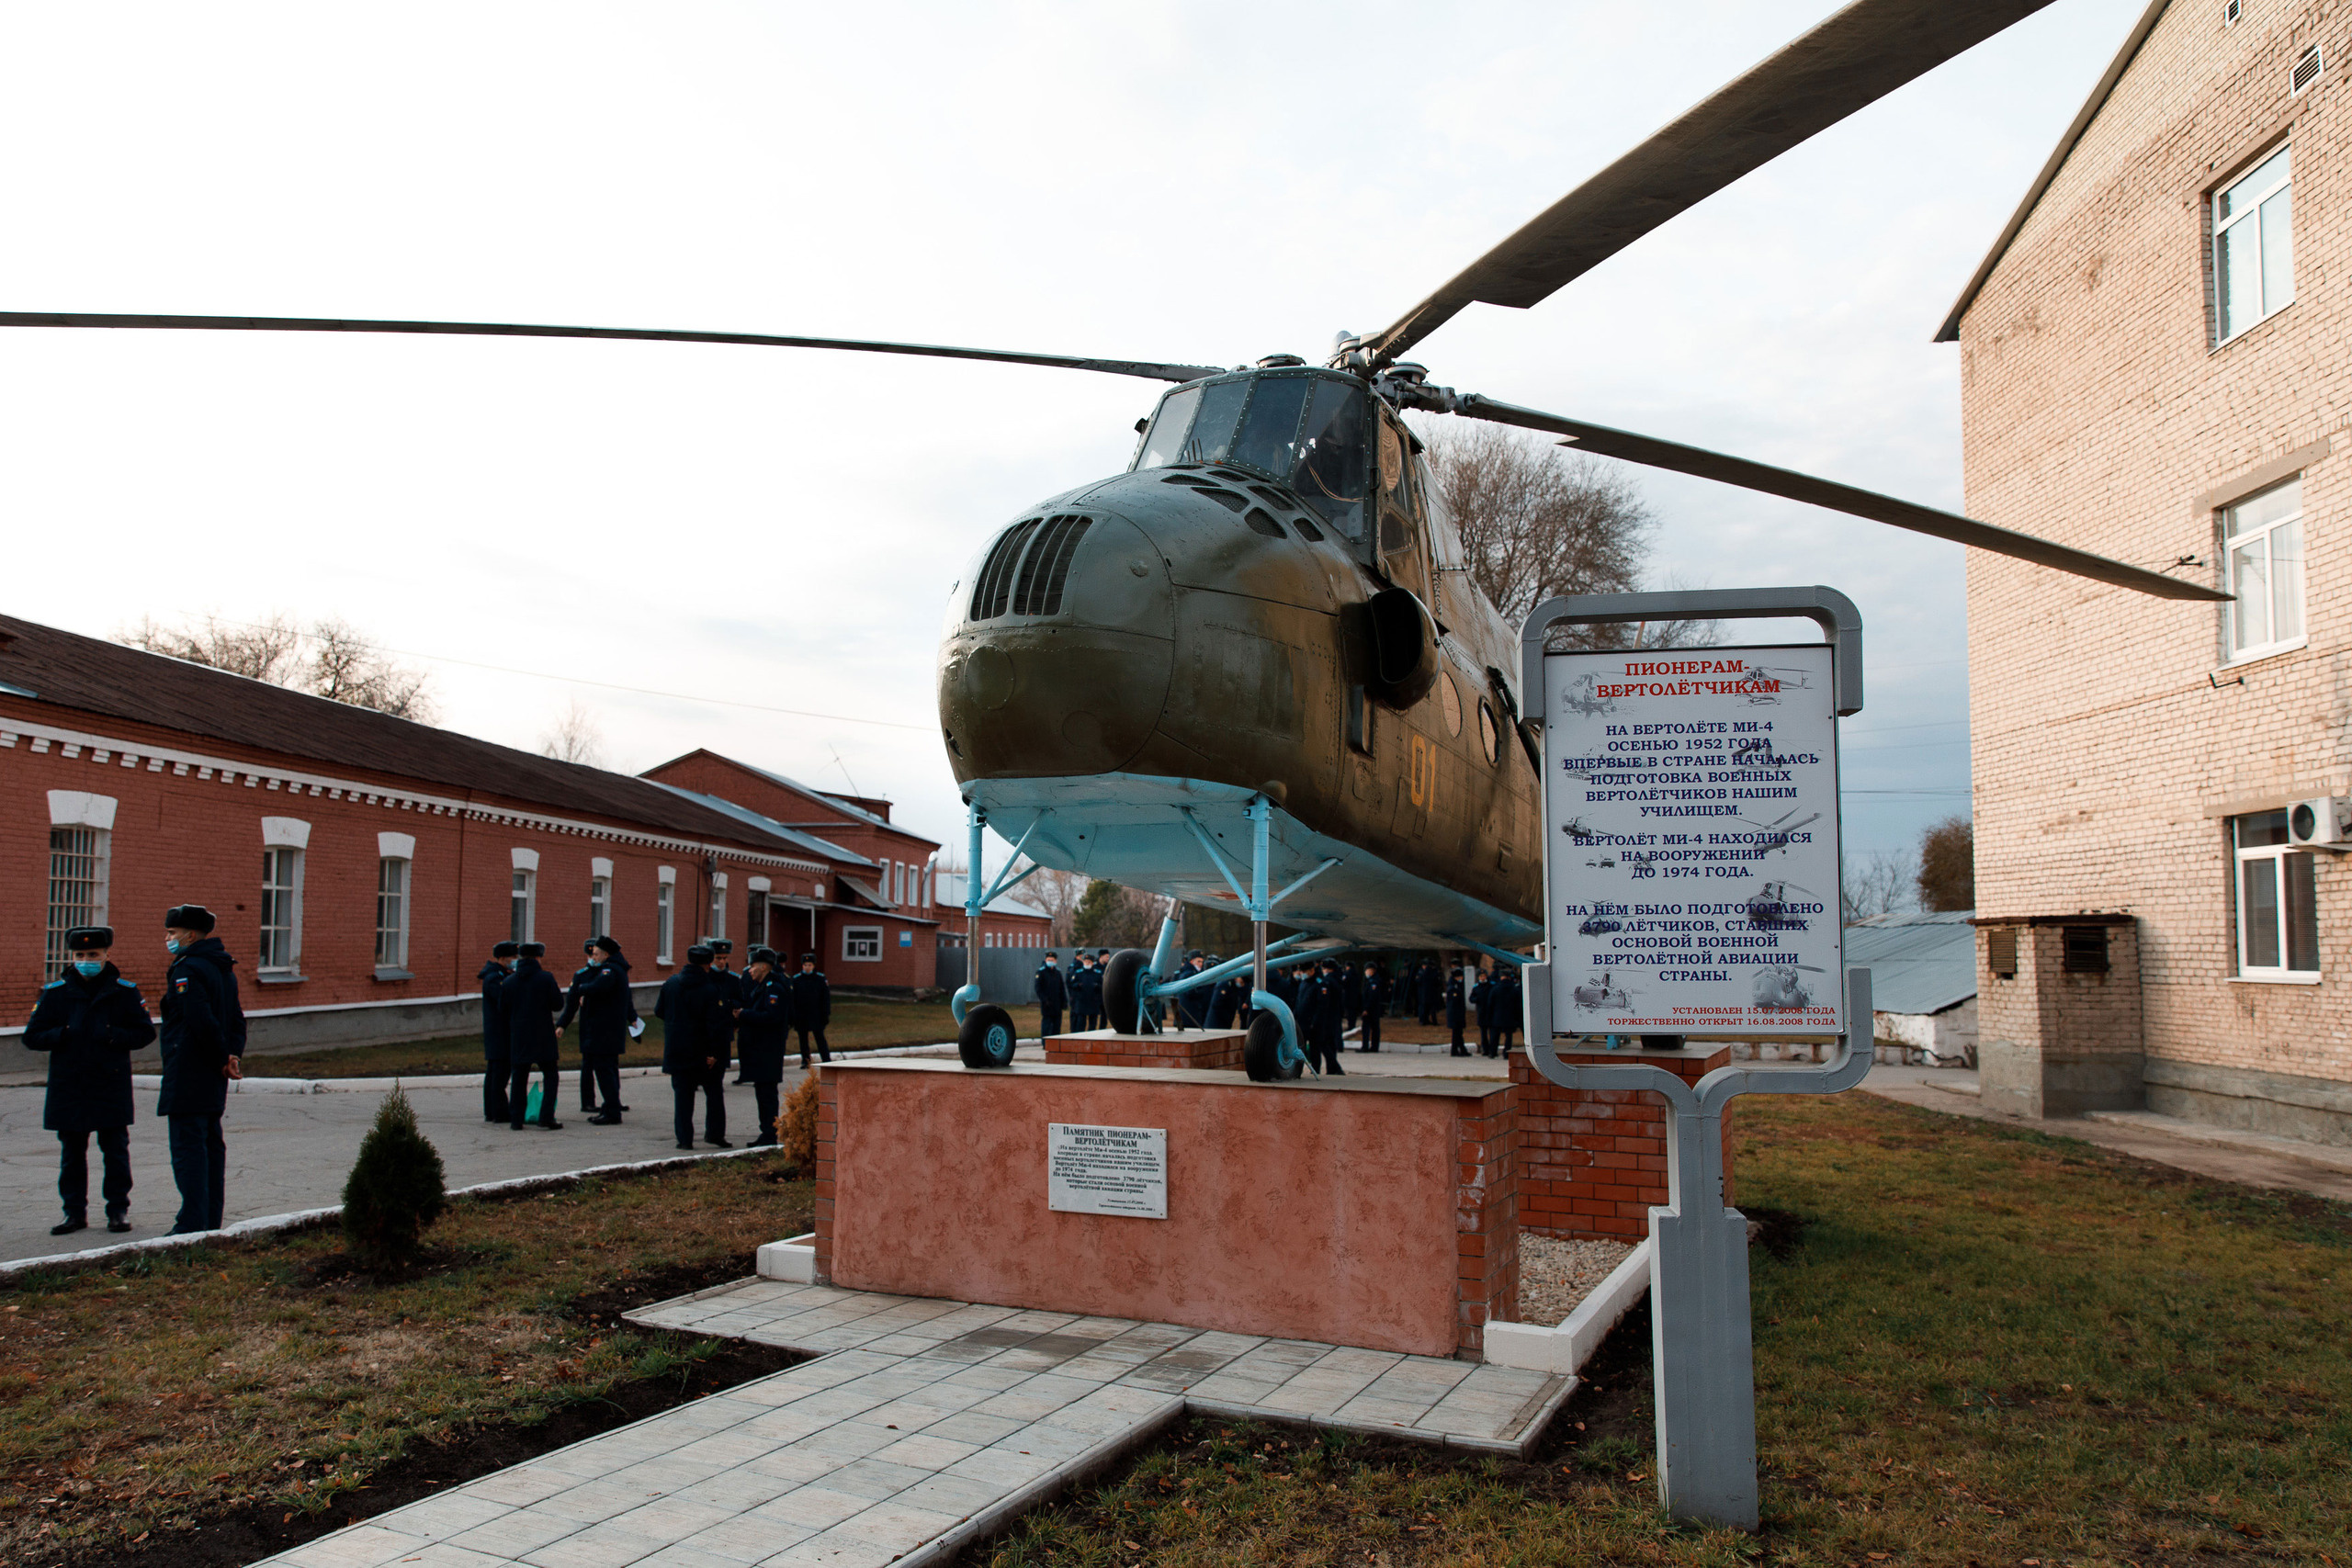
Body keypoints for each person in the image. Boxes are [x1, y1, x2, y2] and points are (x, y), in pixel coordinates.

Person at [24, 926, 152, 1235]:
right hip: (70, 1085)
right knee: (71, 1156)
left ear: (106, 954)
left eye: (93, 955)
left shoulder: (124, 992)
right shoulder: (55, 993)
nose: (86, 960)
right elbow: (32, 1037)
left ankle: (118, 1210)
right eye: (80, 955)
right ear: (72, 956)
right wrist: (62, 1034)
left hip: (110, 1083)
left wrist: (112, 1035)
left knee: (116, 1151)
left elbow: (145, 1033)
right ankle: (73, 1213)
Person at [157, 904, 245, 1235]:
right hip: (214, 1072)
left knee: (188, 1148)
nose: (168, 938)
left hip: (190, 1068)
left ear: (190, 935)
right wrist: (232, 1053)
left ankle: (191, 1224)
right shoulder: (222, 967)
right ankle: (210, 1221)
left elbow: (198, 1017)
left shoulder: (188, 968)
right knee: (210, 1145)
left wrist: (223, 1054)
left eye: (172, 933)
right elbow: (236, 1018)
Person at [657, 944, 731, 1148]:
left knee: (682, 1098)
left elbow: (659, 1011)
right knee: (714, 1094)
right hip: (703, 1054)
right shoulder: (710, 989)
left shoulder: (671, 983)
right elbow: (714, 1025)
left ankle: (684, 1140)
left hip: (676, 1051)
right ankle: (715, 1134)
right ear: (708, 964)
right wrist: (715, 1053)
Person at [559, 936, 634, 1124]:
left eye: (597, 954)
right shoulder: (615, 969)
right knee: (603, 1070)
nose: (595, 957)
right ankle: (607, 1107)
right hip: (604, 1031)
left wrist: (581, 989)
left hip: (604, 1032)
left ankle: (612, 1112)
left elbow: (599, 986)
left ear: (606, 954)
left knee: (605, 1071)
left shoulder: (610, 970)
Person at [503, 942, 564, 1130]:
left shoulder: (509, 982)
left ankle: (516, 1120)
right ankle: (546, 1117)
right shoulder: (546, 979)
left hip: (520, 1036)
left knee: (519, 1077)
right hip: (543, 1035)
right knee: (551, 1075)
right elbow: (557, 1004)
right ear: (538, 958)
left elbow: (503, 1008)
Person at [736, 947, 791, 1145]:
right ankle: (767, 1131)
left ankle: (769, 1134)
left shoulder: (774, 987)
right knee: (763, 1092)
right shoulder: (764, 986)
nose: (750, 971)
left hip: (768, 1050)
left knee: (767, 1094)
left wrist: (744, 1014)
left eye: (752, 967)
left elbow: (771, 1017)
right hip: (762, 1049)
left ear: (763, 966)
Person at [477, 941, 517, 1122]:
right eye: (513, 957)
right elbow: (505, 1000)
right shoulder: (495, 978)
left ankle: (492, 1111)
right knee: (499, 1074)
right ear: (502, 958)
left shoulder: (499, 974)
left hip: (499, 1033)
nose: (515, 961)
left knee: (495, 1072)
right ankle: (499, 1112)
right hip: (499, 1033)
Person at [1298, 958, 1345, 1075]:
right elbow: (1299, 1003)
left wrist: (1315, 1022)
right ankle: (1298, 1070)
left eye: (1304, 971)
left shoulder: (1320, 984)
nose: (1302, 973)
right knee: (1300, 1049)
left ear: (1311, 970)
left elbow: (1321, 1006)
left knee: (1316, 1049)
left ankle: (1316, 1071)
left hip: (1314, 1024)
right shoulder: (1304, 983)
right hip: (1302, 1022)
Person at [707, 940, 744, 1077]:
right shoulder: (706, 977)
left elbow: (740, 1001)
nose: (721, 962)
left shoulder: (733, 980)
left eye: (724, 958)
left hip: (724, 1026)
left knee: (721, 1060)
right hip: (708, 1027)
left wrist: (731, 1006)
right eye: (718, 958)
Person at [789, 953, 832, 1066]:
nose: (807, 967)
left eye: (809, 965)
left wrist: (826, 1014)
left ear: (813, 966)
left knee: (819, 1037)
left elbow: (825, 998)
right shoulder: (797, 979)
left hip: (816, 1014)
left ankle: (826, 1059)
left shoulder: (820, 979)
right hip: (801, 1014)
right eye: (805, 965)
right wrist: (793, 1015)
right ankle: (806, 1060)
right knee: (803, 1039)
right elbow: (793, 999)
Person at [1034, 951, 1067, 1039]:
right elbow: (1038, 989)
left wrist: (1064, 1002)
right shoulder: (1041, 972)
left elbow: (1062, 988)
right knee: (1046, 1026)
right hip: (1047, 1005)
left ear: (1055, 961)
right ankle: (1045, 1043)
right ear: (1045, 960)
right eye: (1048, 959)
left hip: (1057, 1004)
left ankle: (1055, 1044)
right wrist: (1045, 1000)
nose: (1050, 961)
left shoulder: (1058, 972)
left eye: (1052, 960)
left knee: (1056, 1026)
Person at [1067, 952, 1102, 1033]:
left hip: (1093, 1001)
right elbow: (1072, 984)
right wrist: (1077, 985)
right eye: (1085, 962)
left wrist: (1097, 986)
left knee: (1093, 1024)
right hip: (1081, 1002)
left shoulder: (1097, 973)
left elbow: (1102, 985)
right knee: (1080, 1024)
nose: (1087, 963)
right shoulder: (1078, 973)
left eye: (1089, 962)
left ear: (1092, 963)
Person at [1358, 961, 1387, 1053]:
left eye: (1367, 970)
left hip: (1371, 1009)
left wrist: (1366, 1009)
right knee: (1374, 1028)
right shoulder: (1373, 981)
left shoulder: (1374, 982)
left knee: (1367, 1029)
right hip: (1374, 1009)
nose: (1365, 972)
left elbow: (1372, 997)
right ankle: (1373, 1047)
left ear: (1371, 970)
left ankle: (1366, 1047)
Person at [1495, 965, 1524, 1054]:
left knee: (1495, 1035)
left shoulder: (1496, 989)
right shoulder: (1514, 989)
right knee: (1508, 1036)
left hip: (1498, 1016)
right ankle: (1506, 1051)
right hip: (1511, 1016)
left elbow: (1490, 1003)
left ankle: (1492, 1052)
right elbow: (1518, 1004)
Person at [1471, 965, 1497, 1057]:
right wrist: (1476, 999)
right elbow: (1471, 998)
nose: (1483, 978)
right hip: (1481, 1012)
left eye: (1484, 976)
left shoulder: (1491, 985)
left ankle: (1492, 1049)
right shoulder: (1476, 987)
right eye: (1481, 976)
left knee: (1492, 1033)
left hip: (1490, 1012)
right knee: (1483, 1033)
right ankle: (1485, 1049)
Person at [1444, 963, 1469, 1056]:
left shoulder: (1457, 986)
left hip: (1458, 1014)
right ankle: (1456, 1050)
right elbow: (1454, 1003)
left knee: (1458, 1033)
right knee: (1456, 1034)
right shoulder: (1453, 988)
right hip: (1455, 1015)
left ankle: (1461, 1050)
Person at [1417, 959, 1442, 1027]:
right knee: (1428, 1008)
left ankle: (1424, 1021)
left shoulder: (1425, 972)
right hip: (1429, 993)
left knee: (1426, 1008)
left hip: (1426, 993)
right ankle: (1427, 1021)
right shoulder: (1431, 972)